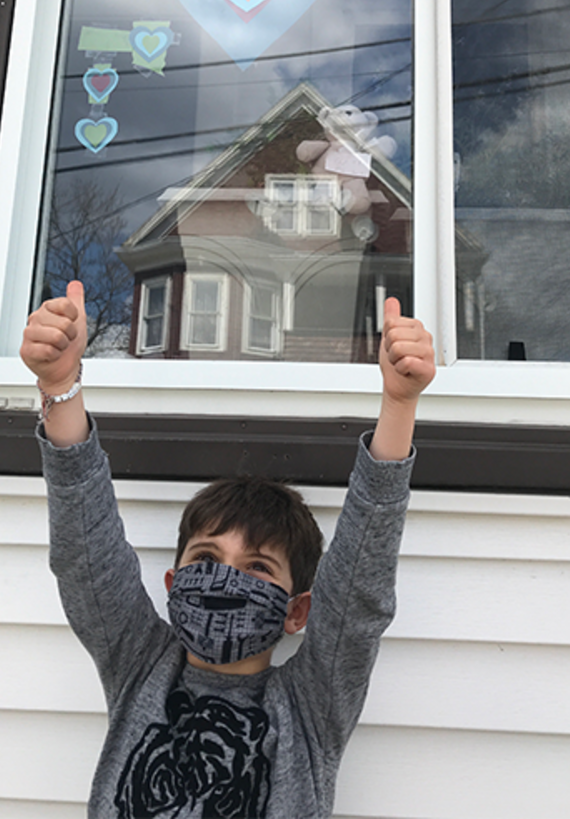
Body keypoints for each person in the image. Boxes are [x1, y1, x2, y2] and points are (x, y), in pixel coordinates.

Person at [21, 280, 435, 819]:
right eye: (206, 559)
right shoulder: (139, 667)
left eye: (258, 568)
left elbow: (358, 595)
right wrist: (60, 386)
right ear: (173, 585)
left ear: (297, 610)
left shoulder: (310, 706)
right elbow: (86, 552)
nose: (224, 580)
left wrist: (398, 404)